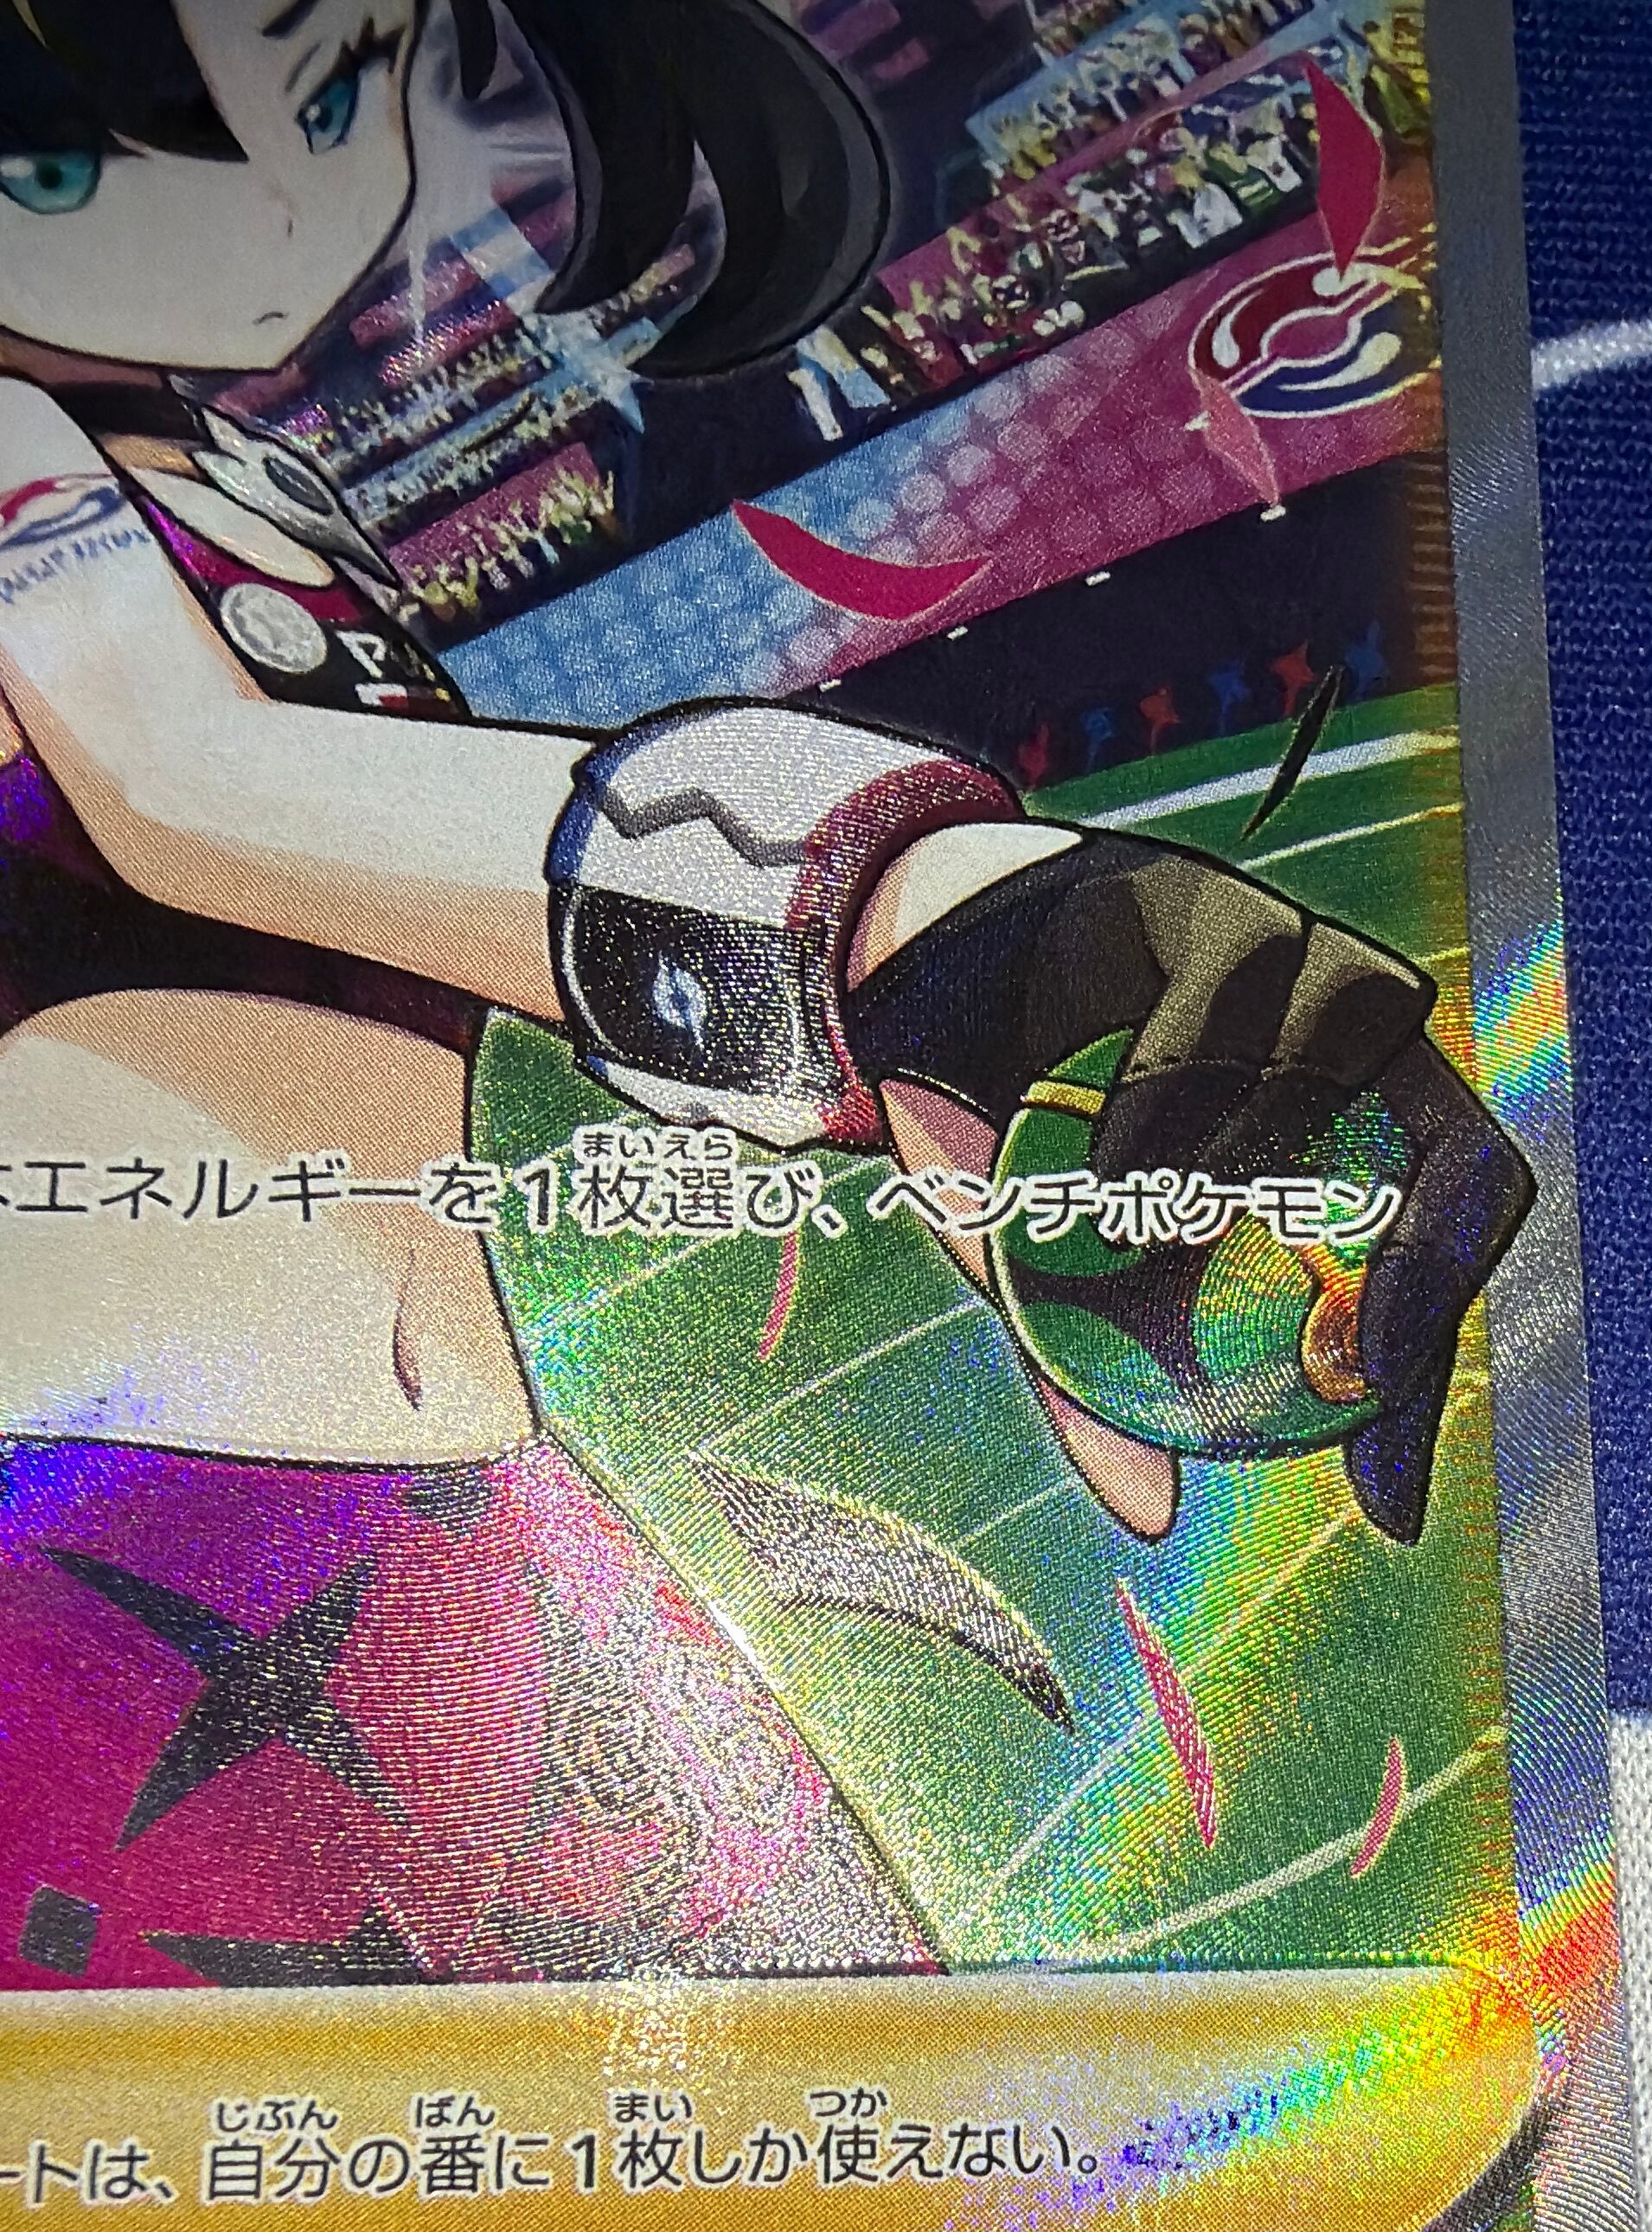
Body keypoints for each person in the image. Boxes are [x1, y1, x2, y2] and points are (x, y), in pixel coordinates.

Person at [0, 0, 1527, 1998]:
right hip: (121, 1558)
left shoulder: (218, 474)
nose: (286, 216)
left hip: (453, 1536)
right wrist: (918, 918)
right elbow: (184, 790)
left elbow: (352, 897)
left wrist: (916, 1078)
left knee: (856, 2126)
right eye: (66, 158)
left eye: (337, 85)